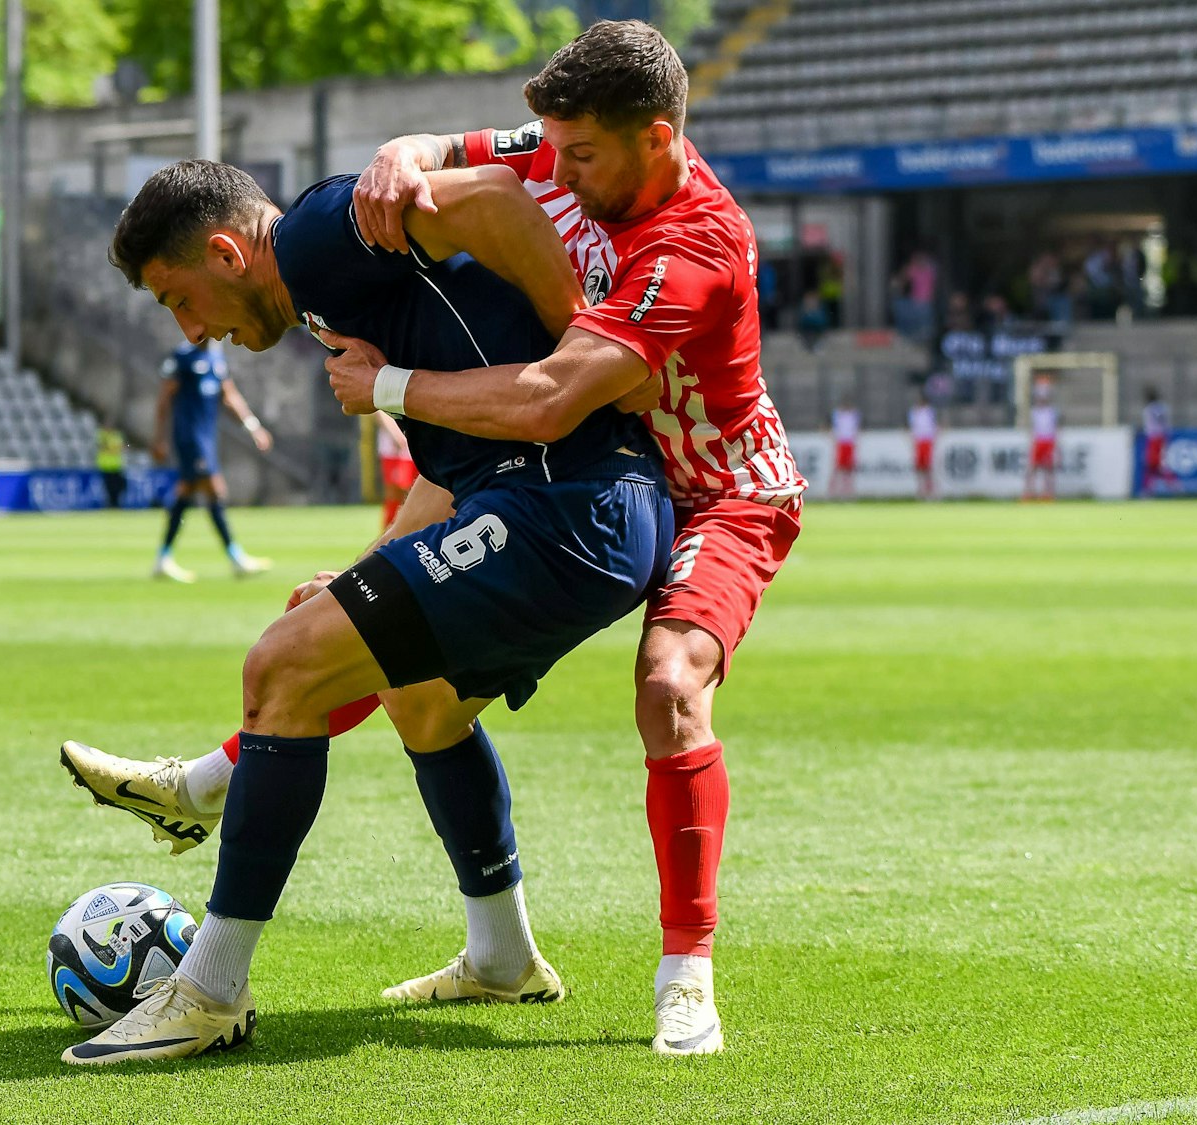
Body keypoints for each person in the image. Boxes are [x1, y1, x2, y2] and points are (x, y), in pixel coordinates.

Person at [63, 20, 802, 1057]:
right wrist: (406, 149)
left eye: (181, 300)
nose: (561, 170)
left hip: (686, 491)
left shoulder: (688, 247)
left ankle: (213, 964)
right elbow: (477, 168)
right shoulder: (547, 167)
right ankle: (499, 954)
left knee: (655, 683)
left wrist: (424, 375)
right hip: (594, 488)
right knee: (414, 695)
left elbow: (541, 372)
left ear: (655, 138)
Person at [152, 340, 274, 582]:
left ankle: (163, 559)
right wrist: (159, 438)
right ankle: (236, 559)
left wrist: (253, 427)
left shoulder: (216, 358)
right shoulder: (182, 357)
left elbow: (230, 396)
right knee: (214, 489)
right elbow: (165, 398)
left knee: (187, 492)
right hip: (189, 437)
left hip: (206, 439)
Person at [374, 411, 416, 529]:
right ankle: (390, 533)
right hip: (396, 448)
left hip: (418, 444)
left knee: (418, 491)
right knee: (397, 493)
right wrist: (395, 434)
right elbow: (378, 410)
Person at [1139, 386, 1177, 497]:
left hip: (1154, 438)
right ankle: (1171, 486)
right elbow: (1166, 424)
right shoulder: (1163, 407)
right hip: (1162, 437)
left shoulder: (1148, 409)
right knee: (1156, 465)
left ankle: (1150, 490)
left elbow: (1149, 426)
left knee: (1153, 465)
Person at [1024, 381, 1058, 501]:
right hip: (1038, 442)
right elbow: (1032, 429)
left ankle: (1048, 493)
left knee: (1048, 469)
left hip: (1048, 441)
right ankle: (1030, 492)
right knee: (1032, 468)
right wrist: (1031, 443)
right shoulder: (1034, 412)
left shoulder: (1052, 412)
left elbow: (1055, 429)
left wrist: (1056, 446)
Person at [830, 399, 859, 501]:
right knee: (838, 469)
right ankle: (833, 492)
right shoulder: (838, 414)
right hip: (841, 443)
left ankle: (848, 493)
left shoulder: (854, 415)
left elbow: (855, 430)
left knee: (849, 470)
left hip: (849, 443)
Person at [909, 390, 937, 500]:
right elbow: (912, 425)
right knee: (919, 467)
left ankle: (929, 490)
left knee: (927, 467)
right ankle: (920, 490)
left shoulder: (929, 411)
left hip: (926, 440)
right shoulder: (914, 412)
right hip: (919, 440)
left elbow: (932, 426)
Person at [96, 419, 127, 509]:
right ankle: (111, 504)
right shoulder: (102, 435)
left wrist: (120, 447)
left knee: (119, 485)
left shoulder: (117, 435)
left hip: (116, 465)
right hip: (106, 465)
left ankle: (116, 503)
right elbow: (102, 446)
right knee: (109, 487)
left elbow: (123, 446)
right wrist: (114, 448)